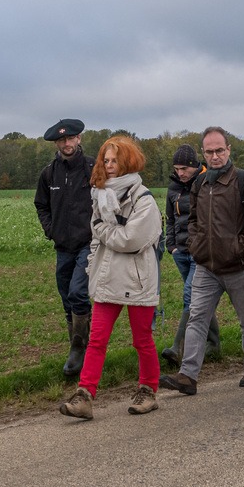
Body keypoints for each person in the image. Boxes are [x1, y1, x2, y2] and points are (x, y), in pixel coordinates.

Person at [160, 127, 244, 394]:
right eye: (209, 152)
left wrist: (236, 250)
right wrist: (198, 248)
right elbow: (195, 221)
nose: (215, 156)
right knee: (197, 317)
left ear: (229, 149)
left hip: (238, 267)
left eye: (219, 150)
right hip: (206, 267)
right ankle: (188, 375)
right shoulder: (199, 184)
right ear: (203, 154)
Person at [59, 136, 163, 420]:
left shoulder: (144, 200)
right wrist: (94, 262)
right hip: (107, 277)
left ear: (127, 161)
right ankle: (84, 395)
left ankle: (148, 390)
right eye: (105, 160)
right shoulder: (101, 196)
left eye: (114, 160)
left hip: (138, 279)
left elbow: (130, 239)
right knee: (96, 340)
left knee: (142, 339)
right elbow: (96, 239)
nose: (108, 165)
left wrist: (102, 232)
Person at [34, 118, 95, 380]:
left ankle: (79, 350)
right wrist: (51, 230)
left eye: (70, 138)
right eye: (61, 140)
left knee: (78, 292)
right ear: (56, 143)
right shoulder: (49, 173)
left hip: (89, 243)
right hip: (63, 246)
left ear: (79, 138)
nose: (66, 143)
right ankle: (78, 344)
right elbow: (41, 205)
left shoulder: (93, 168)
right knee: (65, 296)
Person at [159, 145, 221, 367]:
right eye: (177, 169)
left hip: (200, 252)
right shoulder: (173, 188)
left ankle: (179, 348)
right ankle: (213, 343)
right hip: (180, 252)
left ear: (195, 165)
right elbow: (170, 218)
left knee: (191, 296)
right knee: (199, 298)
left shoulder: (207, 183)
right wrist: (172, 246)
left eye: (184, 168)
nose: (180, 173)